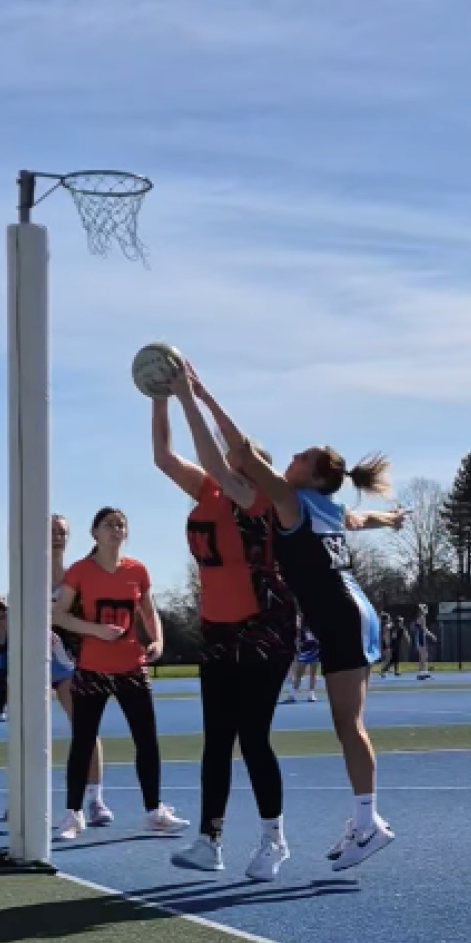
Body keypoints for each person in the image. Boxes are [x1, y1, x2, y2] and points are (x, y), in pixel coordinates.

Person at [219, 410, 405, 871]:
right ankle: (363, 818)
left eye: (302, 457)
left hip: (340, 614)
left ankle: (368, 823)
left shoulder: (292, 499)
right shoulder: (332, 508)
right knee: (350, 724)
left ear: (316, 477)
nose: (292, 457)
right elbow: (362, 518)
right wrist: (392, 519)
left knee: (349, 726)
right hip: (357, 609)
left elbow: (241, 452)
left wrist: (198, 393)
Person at [153, 371, 297, 879]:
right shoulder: (212, 492)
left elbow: (216, 453)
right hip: (219, 631)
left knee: (253, 738)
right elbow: (164, 458)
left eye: (240, 456)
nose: (228, 460)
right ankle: (210, 841)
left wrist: (193, 394)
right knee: (217, 740)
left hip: (265, 629)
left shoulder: (257, 501)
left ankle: (273, 840)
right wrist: (159, 399)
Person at [54, 507, 188, 840]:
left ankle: (154, 810)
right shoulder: (80, 572)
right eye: (109, 525)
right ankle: (73, 814)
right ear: (94, 533)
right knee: (82, 741)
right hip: (92, 668)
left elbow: (148, 609)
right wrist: (95, 630)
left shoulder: (137, 570)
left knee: (146, 741)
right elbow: (59, 615)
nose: (116, 530)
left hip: (131, 666)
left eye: (121, 525)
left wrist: (156, 639)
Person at [50, 513, 111, 826]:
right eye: (51, 531)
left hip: (68, 663)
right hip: (34, 662)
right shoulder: (28, 575)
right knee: (28, 733)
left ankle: (95, 799)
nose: (56, 536)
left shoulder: (76, 575)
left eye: (61, 531)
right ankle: (26, 795)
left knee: (85, 728)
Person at [286, 623, 320, 702]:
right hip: (303, 652)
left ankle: (311, 695)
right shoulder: (300, 626)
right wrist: (298, 644)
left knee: (313, 673)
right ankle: (293, 695)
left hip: (315, 651)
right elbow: (297, 640)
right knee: (298, 673)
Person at [412, 605, 436, 680]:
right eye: (425, 609)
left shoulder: (419, 618)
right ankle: (423, 673)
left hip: (420, 638)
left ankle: (423, 672)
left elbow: (416, 627)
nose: (427, 610)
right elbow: (424, 629)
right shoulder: (422, 618)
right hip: (420, 638)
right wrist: (432, 635)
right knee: (423, 656)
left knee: (423, 656)